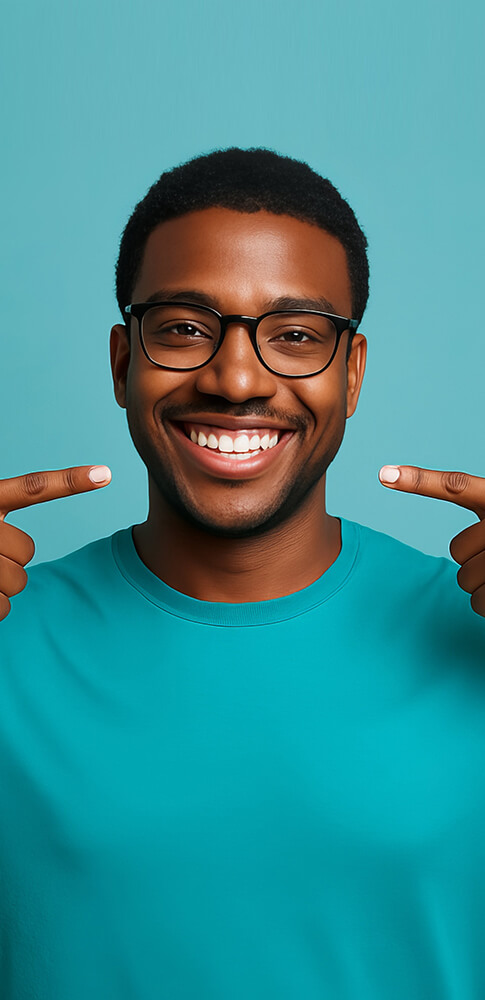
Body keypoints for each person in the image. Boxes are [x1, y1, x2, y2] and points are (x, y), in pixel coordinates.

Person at [0, 147, 484, 1000]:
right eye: (185, 327)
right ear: (122, 362)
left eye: (295, 335)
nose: (234, 378)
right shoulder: (11, 636)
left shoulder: (467, 632)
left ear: (351, 372)